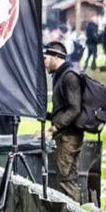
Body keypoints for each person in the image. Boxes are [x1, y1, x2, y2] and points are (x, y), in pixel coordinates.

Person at [43, 40, 84, 201]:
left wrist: (54, 127)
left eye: (46, 58)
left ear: (55, 56)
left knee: (66, 180)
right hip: (64, 135)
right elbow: (62, 110)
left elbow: (74, 108)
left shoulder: (69, 77)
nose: (44, 63)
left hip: (69, 136)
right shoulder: (60, 77)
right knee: (64, 178)